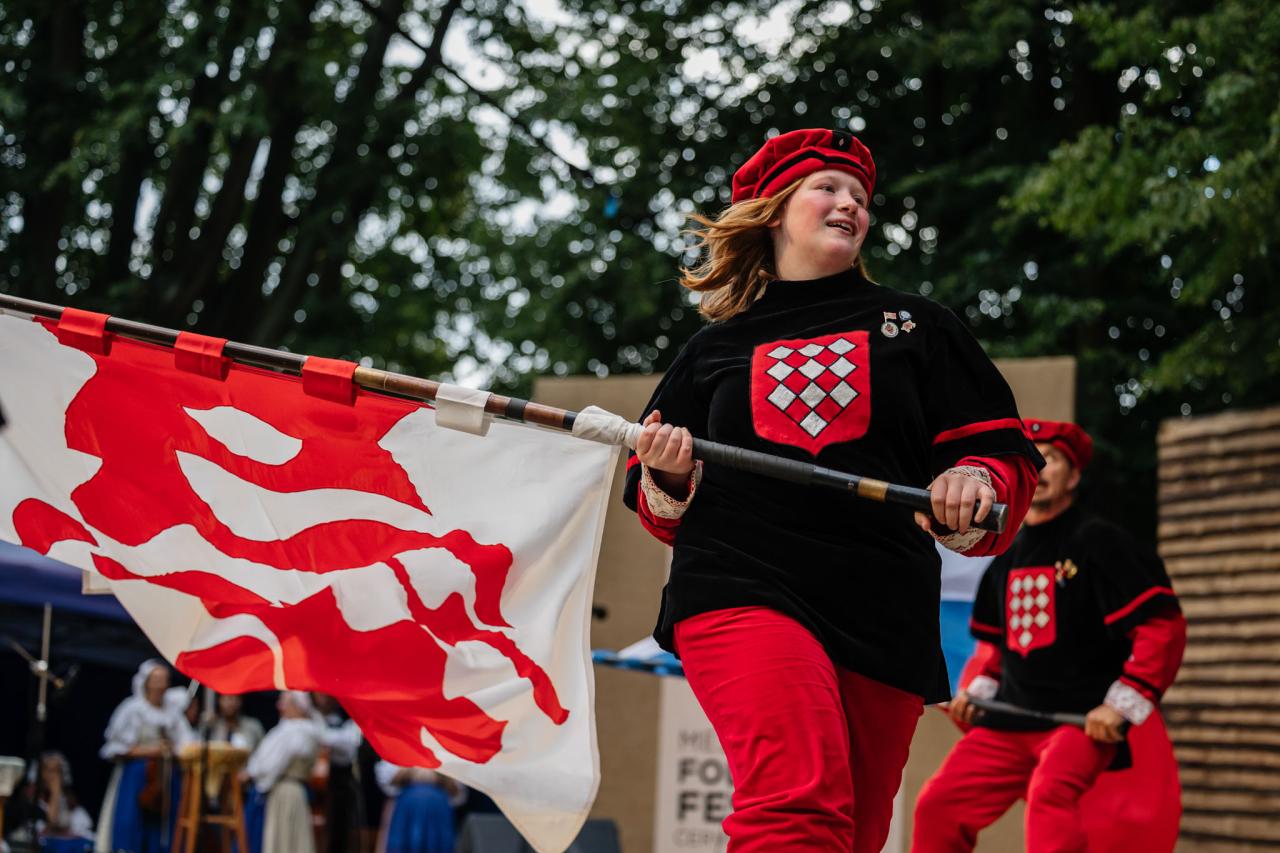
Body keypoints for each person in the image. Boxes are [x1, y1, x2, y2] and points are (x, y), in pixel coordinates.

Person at [623, 127, 1043, 852]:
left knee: (854, 833)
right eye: (828, 188)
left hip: (882, 604)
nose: (851, 204)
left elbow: (1001, 454)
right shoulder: (713, 347)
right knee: (796, 808)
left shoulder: (921, 327)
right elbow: (652, 496)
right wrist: (666, 468)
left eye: (860, 196)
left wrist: (970, 480)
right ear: (775, 210)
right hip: (741, 582)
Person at [911, 419, 1187, 852]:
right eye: (1033, 458)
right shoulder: (1007, 556)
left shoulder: (1101, 542)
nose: (1040, 467)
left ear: (1073, 476)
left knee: (1050, 799)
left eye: (1052, 458)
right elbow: (996, 650)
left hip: (1078, 720)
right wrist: (976, 692)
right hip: (1012, 719)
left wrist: (1122, 704)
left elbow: (1162, 626)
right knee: (939, 806)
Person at [95, 659, 191, 853]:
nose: (161, 685)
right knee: (130, 820)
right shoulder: (132, 709)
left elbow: (186, 742)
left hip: (165, 776)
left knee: (162, 825)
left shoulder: (173, 713)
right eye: (156, 680)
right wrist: (152, 751)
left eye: (164, 680)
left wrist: (172, 750)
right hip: (137, 774)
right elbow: (117, 746)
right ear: (146, 682)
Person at [245, 691, 321, 853]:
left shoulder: (292, 730)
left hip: (284, 792)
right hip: (296, 792)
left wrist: (255, 779)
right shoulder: (310, 729)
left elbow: (269, 765)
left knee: (283, 839)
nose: (280, 706)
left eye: (285, 702)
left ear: (298, 707)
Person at [5, 751, 94, 850]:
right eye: (50, 770)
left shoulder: (68, 799)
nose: (54, 777)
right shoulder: (30, 798)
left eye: (58, 771)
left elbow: (85, 824)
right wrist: (55, 792)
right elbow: (51, 822)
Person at [312, 693, 363, 853]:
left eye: (328, 695)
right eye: (320, 694)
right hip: (314, 788)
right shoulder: (311, 717)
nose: (324, 698)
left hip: (340, 783)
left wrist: (325, 738)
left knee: (339, 829)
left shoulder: (345, 719)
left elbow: (351, 744)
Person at [372, 763, 457, 853]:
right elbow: (388, 781)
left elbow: (456, 792)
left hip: (433, 803)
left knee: (434, 840)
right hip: (412, 802)